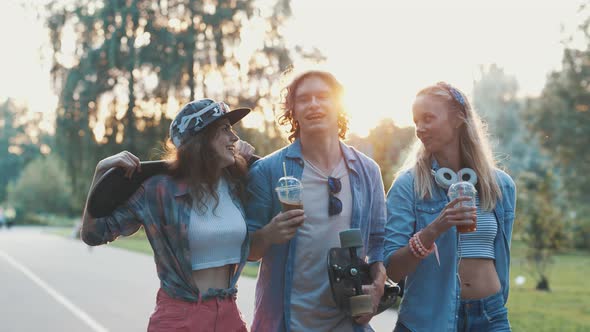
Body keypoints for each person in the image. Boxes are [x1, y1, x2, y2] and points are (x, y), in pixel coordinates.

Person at [81, 98, 255, 332]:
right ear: (200, 139)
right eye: (225, 129)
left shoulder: (235, 185)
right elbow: (94, 234)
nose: (234, 137)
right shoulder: (158, 189)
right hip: (179, 318)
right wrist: (101, 172)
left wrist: (248, 163)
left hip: (229, 316)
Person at [246, 70, 387, 332]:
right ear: (293, 111)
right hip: (287, 323)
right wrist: (269, 234)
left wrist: (378, 284)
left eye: (323, 97)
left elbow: (379, 241)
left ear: (339, 105)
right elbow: (248, 251)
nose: (313, 105)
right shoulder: (268, 171)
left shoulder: (368, 171)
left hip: (349, 323)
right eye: (303, 99)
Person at [384, 82, 516, 332]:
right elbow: (392, 269)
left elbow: (502, 258)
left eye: (428, 118)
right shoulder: (408, 185)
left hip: (490, 316)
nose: (420, 129)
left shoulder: (502, 186)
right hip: (428, 319)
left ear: (458, 118)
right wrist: (435, 228)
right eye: (416, 122)